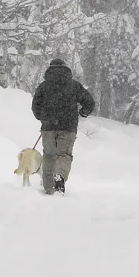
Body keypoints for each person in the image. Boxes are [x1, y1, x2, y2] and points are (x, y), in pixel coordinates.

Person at [30, 58, 95, 194]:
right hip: (68, 126)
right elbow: (89, 102)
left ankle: (49, 187)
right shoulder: (74, 85)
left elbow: (35, 106)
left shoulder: (44, 86)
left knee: (49, 155)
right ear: (66, 69)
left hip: (48, 127)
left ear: (50, 69)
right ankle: (60, 177)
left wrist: (43, 118)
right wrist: (83, 113)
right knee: (64, 155)